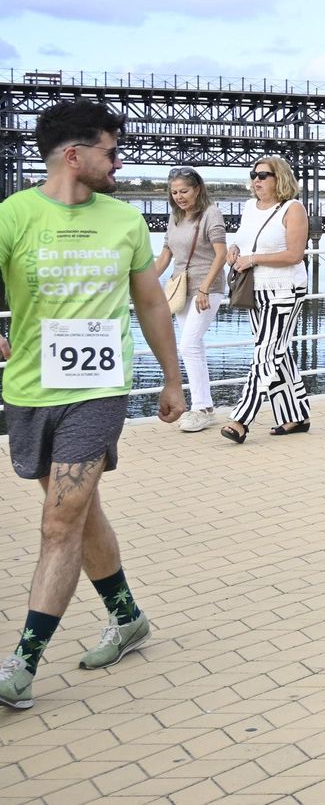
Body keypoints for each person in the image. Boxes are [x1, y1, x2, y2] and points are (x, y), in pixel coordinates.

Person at [0, 101, 184, 711]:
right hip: (29, 391)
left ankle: (20, 668)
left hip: (98, 391)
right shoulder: (15, 216)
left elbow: (153, 304)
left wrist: (171, 379)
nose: (120, 160)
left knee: (58, 523)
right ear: (73, 155)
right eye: (110, 150)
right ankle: (127, 616)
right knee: (79, 514)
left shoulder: (125, 221)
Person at [219, 156, 311, 443]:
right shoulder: (249, 207)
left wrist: (253, 258)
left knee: (266, 353)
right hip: (253, 289)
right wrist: (234, 250)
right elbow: (243, 240)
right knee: (275, 352)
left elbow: (294, 255)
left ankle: (241, 419)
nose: (257, 180)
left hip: (284, 290)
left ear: (279, 178)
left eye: (264, 175)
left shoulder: (293, 209)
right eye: (254, 175)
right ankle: (296, 415)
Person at [152, 167, 227, 432]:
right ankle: (205, 406)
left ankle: (200, 408)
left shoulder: (211, 214)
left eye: (184, 191)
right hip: (181, 289)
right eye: (174, 192)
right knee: (194, 348)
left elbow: (221, 255)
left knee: (188, 345)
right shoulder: (175, 218)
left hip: (207, 289)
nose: (179, 196)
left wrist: (205, 288)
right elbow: (164, 257)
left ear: (197, 189)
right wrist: (142, 281)